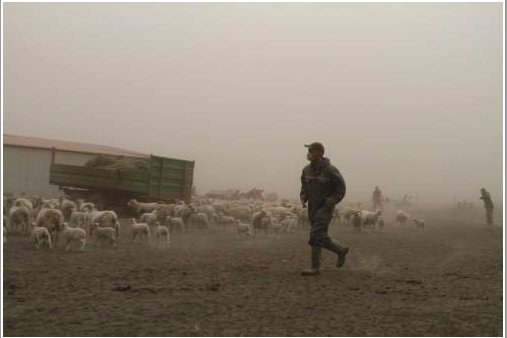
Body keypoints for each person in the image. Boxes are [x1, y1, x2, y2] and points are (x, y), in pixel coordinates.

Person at [300, 142, 348, 276]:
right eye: (308, 150)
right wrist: (303, 197)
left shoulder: (330, 170)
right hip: (312, 208)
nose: (308, 153)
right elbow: (304, 186)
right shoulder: (306, 170)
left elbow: (341, 188)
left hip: (325, 208)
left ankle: (315, 267)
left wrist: (332, 200)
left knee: (315, 235)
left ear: (320, 153)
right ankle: (340, 250)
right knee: (320, 236)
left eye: (312, 150)